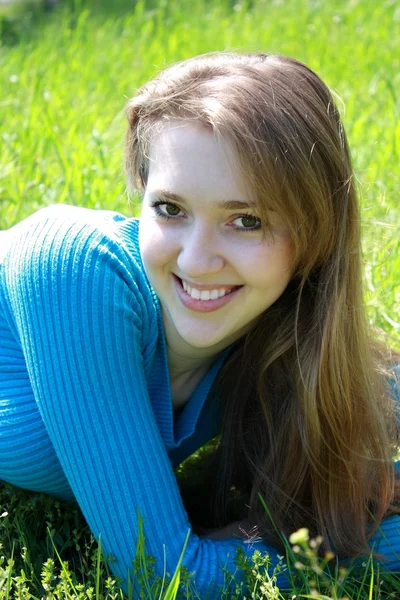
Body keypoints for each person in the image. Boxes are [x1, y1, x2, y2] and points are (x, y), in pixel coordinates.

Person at [0, 52, 399, 598]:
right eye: (170, 210)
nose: (194, 261)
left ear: (314, 235)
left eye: (246, 220)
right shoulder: (75, 269)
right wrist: (305, 553)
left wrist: (322, 539)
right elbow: (163, 577)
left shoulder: (284, 344)